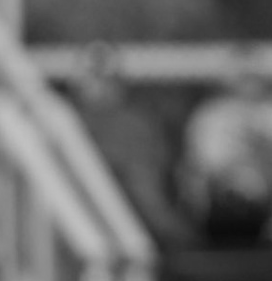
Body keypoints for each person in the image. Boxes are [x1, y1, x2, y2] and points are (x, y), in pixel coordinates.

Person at [179, 46, 272, 245]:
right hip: (225, 182)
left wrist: (262, 157)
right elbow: (203, 160)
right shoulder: (210, 114)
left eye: (254, 76)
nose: (249, 82)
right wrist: (239, 169)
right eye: (243, 76)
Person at [70, 42, 189, 246]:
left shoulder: (138, 123)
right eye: (94, 76)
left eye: (108, 78)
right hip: (83, 224)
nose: (101, 85)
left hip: (139, 225)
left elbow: (151, 190)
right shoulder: (64, 122)